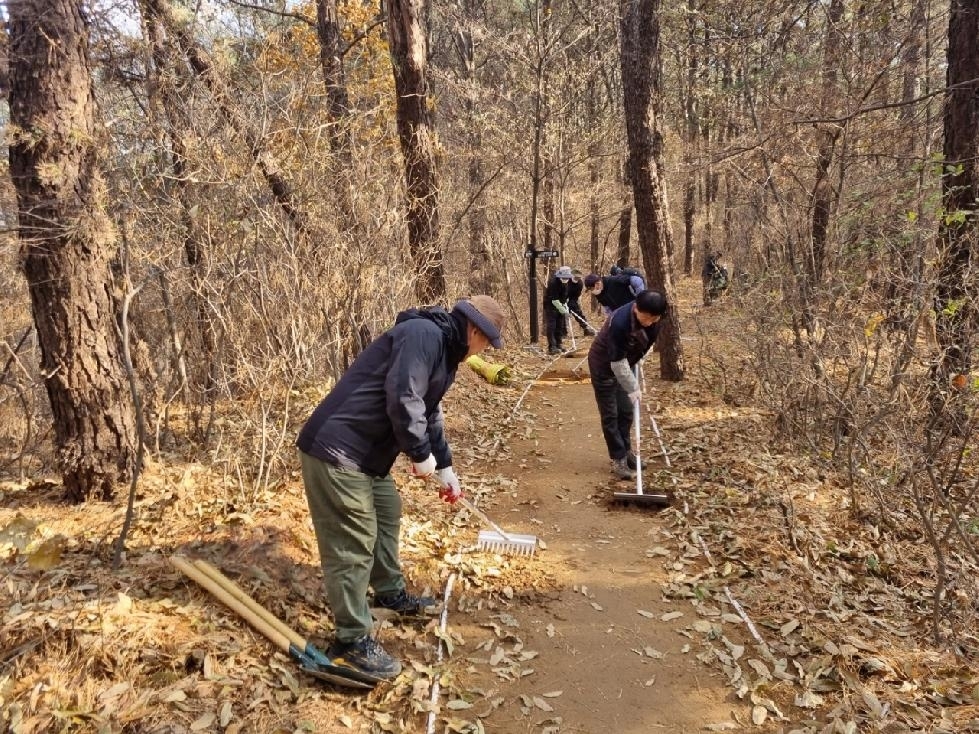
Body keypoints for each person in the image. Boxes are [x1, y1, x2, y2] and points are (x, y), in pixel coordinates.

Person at [296, 295, 505, 680]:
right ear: (475, 331)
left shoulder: (446, 352)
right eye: (487, 343)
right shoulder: (423, 334)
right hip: (338, 448)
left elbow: (429, 412)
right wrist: (418, 452)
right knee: (353, 542)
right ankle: (350, 642)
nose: (485, 351)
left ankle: (389, 593)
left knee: (388, 509)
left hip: (367, 456)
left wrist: (444, 466)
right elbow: (404, 396)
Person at [586, 290, 668, 479]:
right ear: (635, 308)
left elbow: (643, 347)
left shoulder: (655, 321)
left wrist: (636, 363)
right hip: (604, 366)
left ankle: (627, 452)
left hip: (626, 362)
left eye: (653, 319)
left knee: (626, 411)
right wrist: (633, 387)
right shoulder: (620, 323)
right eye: (645, 318)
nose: (648, 322)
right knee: (611, 415)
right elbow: (617, 363)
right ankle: (618, 459)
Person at [543, 265, 573, 354]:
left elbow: (565, 296)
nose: (565, 279)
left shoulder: (567, 282)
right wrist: (564, 311)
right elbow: (554, 300)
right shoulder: (553, 283)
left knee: (559, 325)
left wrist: (565, 307)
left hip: (560, 305)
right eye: (563, 277)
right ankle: (552, 347)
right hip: (551, 306)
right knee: (552, 326)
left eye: (567, 277)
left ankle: (559, 345)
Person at [567, 269, 596, 336]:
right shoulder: (566, 281)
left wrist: (572, 302)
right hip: (562, 299)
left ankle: (586, 328)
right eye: (576, 277)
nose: (577, 278)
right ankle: (562, 332)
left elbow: (577, 295)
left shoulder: (580, 284)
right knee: (562, 315)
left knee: (578, 312)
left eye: (578, 277)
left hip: (572, 299)